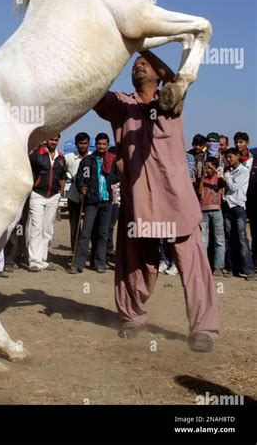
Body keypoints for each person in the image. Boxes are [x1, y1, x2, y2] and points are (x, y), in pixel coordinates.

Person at [94, 51, 218, 352]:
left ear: (156, 72)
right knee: (135, 263)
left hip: (176, 200)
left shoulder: (170, 99)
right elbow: (95, 91)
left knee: (191, 265)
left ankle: (203, 328)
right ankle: (132, 317)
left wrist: (143, 44)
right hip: (139, 203)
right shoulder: (122, 106)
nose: (139, 66)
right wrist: (118, 51)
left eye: (144, 63)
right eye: (135, 65)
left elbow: (175, 79)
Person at [69, 133, 117, 274]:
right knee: (85, 233)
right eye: (99, 144)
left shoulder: (112, 160)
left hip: (106, 201)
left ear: (107, 145)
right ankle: (78, 264)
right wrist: (82, 187)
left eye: (104, 144)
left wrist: (109, 176)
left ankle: (99, 263)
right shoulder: (88, 161)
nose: (101, 146)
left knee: (103, 233)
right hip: (91, 201)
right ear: (95, 144)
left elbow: (117, 177)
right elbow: (80, 178)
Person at [27, 135, 66, 272]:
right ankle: (34, 261)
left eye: (56, 140)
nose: (53, 142)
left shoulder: (61, 158)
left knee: (48, 229)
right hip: (37, 194)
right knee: (36, 228)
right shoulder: (36, 155)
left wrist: (59, 193)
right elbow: (27, 171)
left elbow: (62, 177)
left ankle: (42, 259)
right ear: (46, 140)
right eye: (51, 139)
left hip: (53, 196)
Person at [222, 147, 254, 279]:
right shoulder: (228, 171)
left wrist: (226, 177)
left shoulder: (243, 171)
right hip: (227, 206)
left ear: (237, 157)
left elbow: (234, 187)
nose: (229, 160)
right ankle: (231, 267)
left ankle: (248, 269)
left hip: (238, 206)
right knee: (229, 238)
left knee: (242, 238)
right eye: (227, 157)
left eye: (231, 157)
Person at [197, 157, 227, 276]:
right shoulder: (202, 179)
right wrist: (202, 178)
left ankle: (218, 267)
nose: (207, 169)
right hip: (203, 211)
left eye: (209, 167)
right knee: (203, 240)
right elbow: (199, 193)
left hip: (216, 210)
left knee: (219, 240)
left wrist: (215, 170)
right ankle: (203, 266)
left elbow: (223, 183)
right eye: (206, 166)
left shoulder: (218, 178)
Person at [64, 132, 90, 252]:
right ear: (76, 144)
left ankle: (89, 251)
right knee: (74, 225)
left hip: (90, 196)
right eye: (80, 143)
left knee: (91, 225)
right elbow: (61, 171)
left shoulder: (92, 157)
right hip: (74, 195)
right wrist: (70, 176)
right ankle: (76, 250)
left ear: (88, 144)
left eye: (85, 143)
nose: (82, 146)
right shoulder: (68, 157)